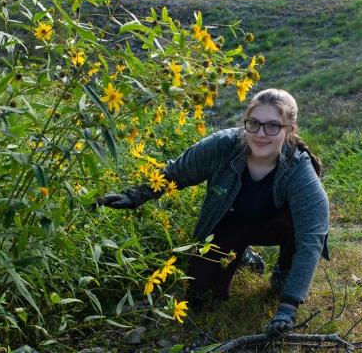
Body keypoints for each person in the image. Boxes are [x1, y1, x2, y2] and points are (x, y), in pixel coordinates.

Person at [96, 88, 329, 336]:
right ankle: (242, 254)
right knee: (202, 297)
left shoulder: (298, 169)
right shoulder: (222, 146)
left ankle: (285, 271)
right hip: (231, 224)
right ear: (246, 123)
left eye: (273, 126)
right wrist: (134, 196)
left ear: (289, 130)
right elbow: (177, 172)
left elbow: (311, 239)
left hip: (277, 227)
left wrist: (289, 305)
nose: (261, 134)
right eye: (254, 124)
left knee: (298, 227)